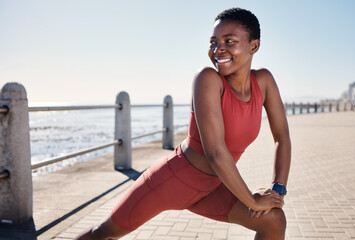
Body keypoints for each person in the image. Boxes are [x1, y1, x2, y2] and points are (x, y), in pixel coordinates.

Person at [76, 7, 291, 240]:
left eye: (229, 41)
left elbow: (282, 137)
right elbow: (216, 153)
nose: (218, 49)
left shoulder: (264, 81)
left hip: (215, 188)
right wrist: (252, 201)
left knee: (274, 220)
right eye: (213, 42)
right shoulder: (207, 79)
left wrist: (277, 190)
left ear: (254, 46)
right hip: (172, 182)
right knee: (102, 233)